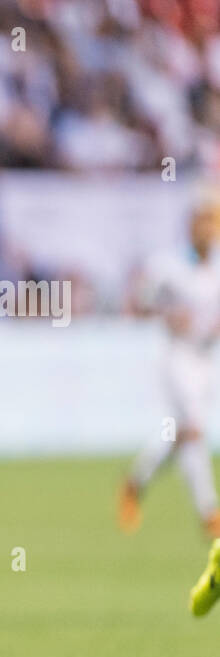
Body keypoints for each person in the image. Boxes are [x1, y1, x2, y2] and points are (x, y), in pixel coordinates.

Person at [119, 200, 220, 538]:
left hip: (206, 359)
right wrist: (167, 314)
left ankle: (135, 481)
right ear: (190, 227)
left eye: (212, 223)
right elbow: (139, 301)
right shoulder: (169, 266)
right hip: (178, 355)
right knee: (193, 428)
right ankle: (209, 512)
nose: (206, 230)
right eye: (201, 222)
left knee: (180, 434)